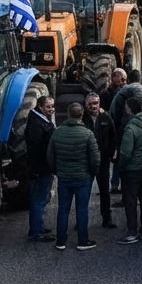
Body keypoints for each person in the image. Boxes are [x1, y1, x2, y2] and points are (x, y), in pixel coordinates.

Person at [47, 102, 99, 250]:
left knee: (63, 208)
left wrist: (58, 171)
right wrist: (91, 173)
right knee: (82, 209)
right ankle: (83, 241)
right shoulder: (88, 134)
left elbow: (50, 156)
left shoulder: (57, 132)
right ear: (81, 115)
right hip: (83, 178)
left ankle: (60, 241)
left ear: (68, 114)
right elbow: (95, 159)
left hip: (64, 178)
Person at [115, 96, 142, 244]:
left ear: (130, 109)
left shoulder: (130, 127)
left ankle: (132, 231)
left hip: (132, 170)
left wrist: (120, 166)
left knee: (131, 200)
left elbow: (126, 152)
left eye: (127, 107)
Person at [25, 95, 56, 241]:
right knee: (38, 199)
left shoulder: (41, 121)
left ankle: (38, 226)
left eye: (52, 106)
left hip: (43, 168)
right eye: (48, 107)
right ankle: (36, 232)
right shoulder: (37, 125)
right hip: (40, 169)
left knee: (42, 198)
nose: (51, 110)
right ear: (40, 107)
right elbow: (37, 149)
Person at [83, 93, 117, 229]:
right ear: (86, 105)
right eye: (90, 104)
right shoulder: (82, 118)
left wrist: (109, 155)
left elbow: (113, 137)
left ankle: (107, 219)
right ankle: (82, 219)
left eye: (96, 103)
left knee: (104, 191)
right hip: (87, 161)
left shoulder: (106, 117)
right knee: (84, 192)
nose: (93, 106)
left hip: (103, 161)